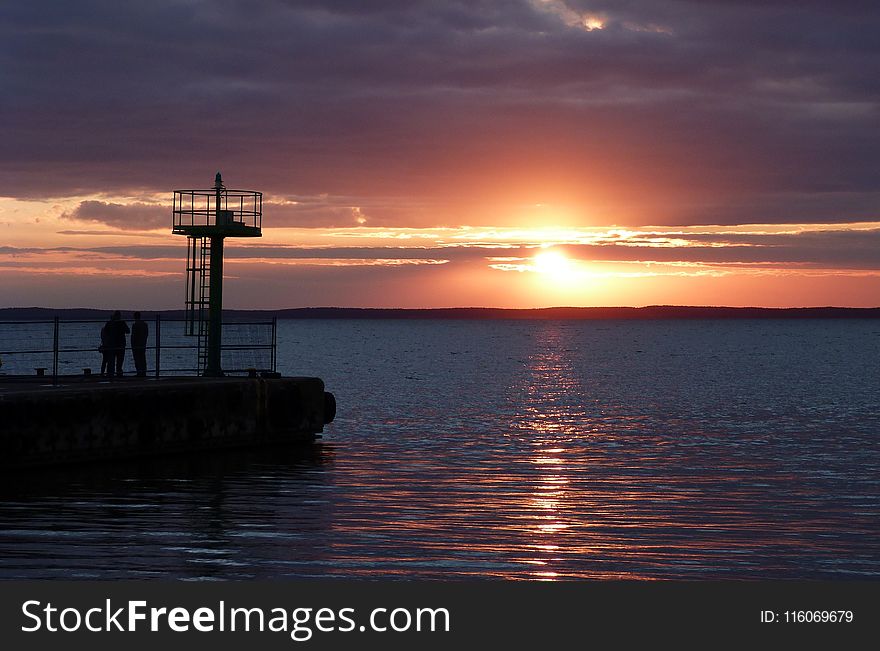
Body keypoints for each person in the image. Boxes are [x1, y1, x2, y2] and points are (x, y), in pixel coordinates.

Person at [107, 310, 130, 378]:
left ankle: (111, 373)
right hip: (121, 344)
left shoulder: (111, 323)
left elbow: (106, 331)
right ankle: (119, 373)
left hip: (113, 344)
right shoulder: (122, 323)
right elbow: (128, 331)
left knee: (112, 360)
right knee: (120, 361)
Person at [131, 311, 149, 377]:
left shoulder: (135, 325)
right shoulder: (145, 324)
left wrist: (132, 344)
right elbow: (146, 334)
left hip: (136, 345)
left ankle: (139, 372)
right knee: (143, 359)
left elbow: (133, 336)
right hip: (143, 344)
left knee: (137, 359)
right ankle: (143, 372)